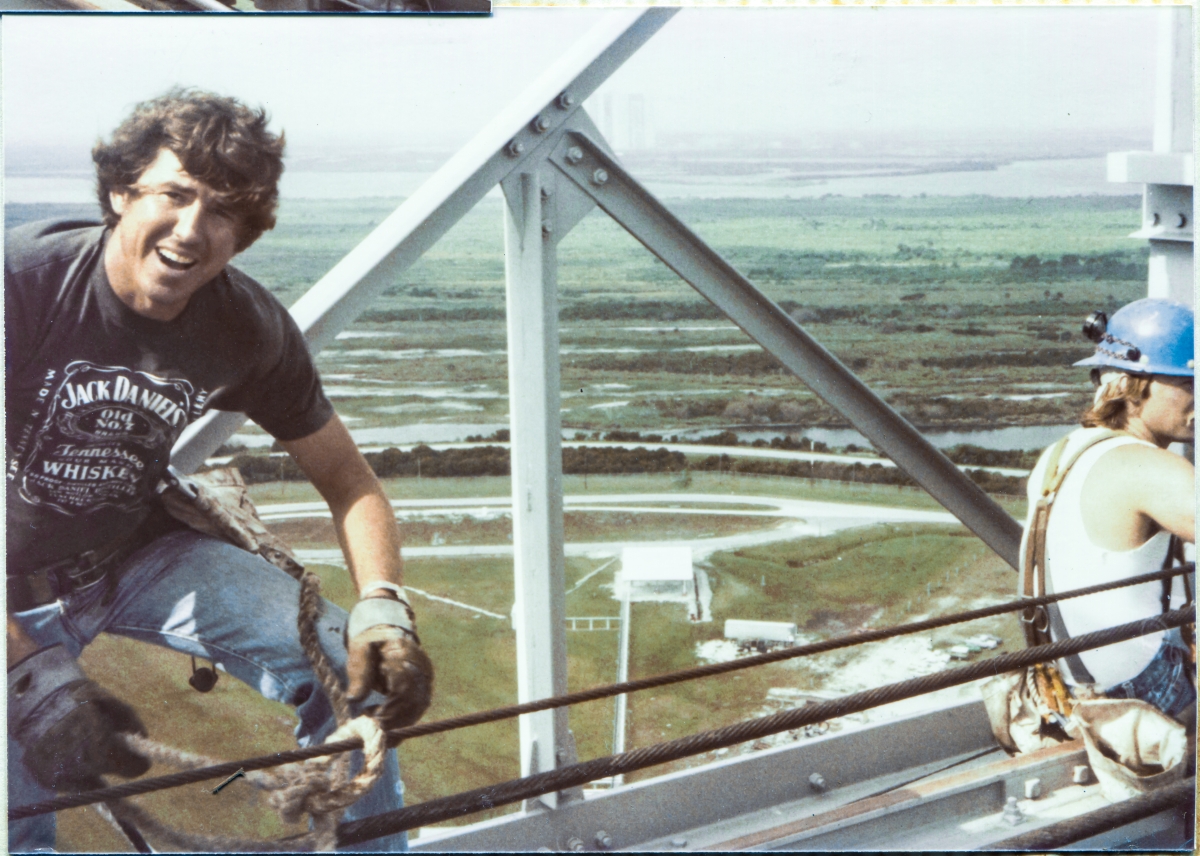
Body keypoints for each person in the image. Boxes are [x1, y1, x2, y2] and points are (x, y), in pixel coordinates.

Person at [6, 89, 432, 852]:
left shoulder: (247, 328)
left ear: (248, 231)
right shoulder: (23, 284)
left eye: (225, 210)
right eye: (173, 194)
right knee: (21, 820)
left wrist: (383, 606)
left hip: (130, 555)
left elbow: (350, 483)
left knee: (343, 660)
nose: (192, 230)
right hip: (10, 593)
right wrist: (28, 671)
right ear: (120, 193)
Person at [1020, 297, 1195, 722]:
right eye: (1189, 384)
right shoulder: (1150, 467)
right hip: (1139, 685)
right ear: (1136, 385)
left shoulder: (1060, 453)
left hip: (1064, 683)